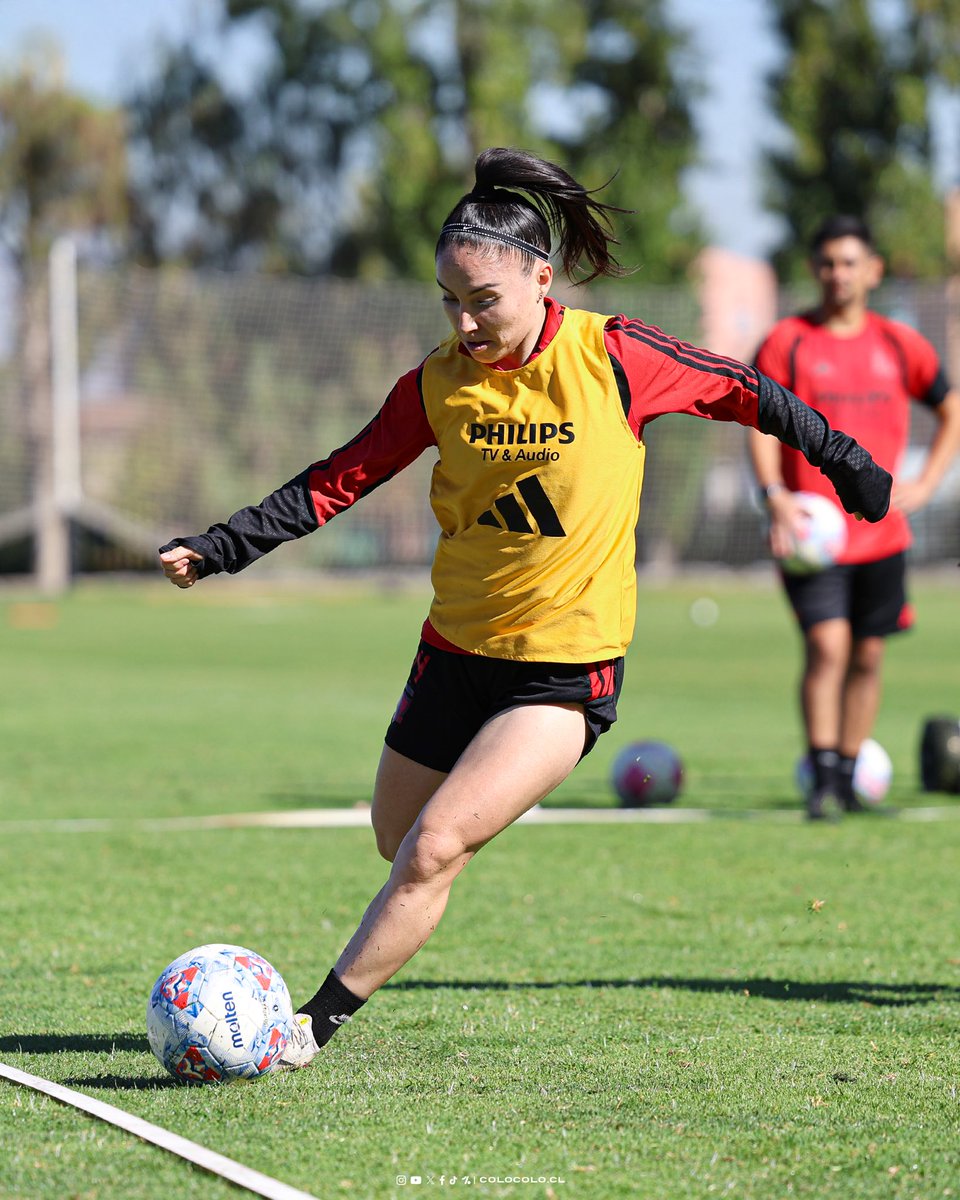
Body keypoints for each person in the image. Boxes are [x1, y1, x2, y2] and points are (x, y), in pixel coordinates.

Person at [160, 150, 892, 1066]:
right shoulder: (437, 383)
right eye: (448, 301)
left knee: (431, 849)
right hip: (454, 652)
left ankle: (306, 1028)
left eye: (484, 300)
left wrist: (846, 460)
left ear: (543, 280)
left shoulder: (614, 355)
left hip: (564, 670)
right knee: (397, 838)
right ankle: (476, 803)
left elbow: (749, 390)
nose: (465, 322)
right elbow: (335, 482)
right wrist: (224, 546)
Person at [750, 215, 960, 821]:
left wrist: (926, 482)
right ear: (815, 270)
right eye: (827, 262)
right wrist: (774, 494)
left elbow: (950, 409)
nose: (837, 274)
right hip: (810, 535)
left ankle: (845, 774)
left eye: (849, 262)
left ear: (873, 271)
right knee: (827, 647)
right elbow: (759, 420)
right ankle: (822, 780)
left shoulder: (900, 344)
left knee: (867, 655)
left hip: (883, 532)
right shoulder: (787, 341)